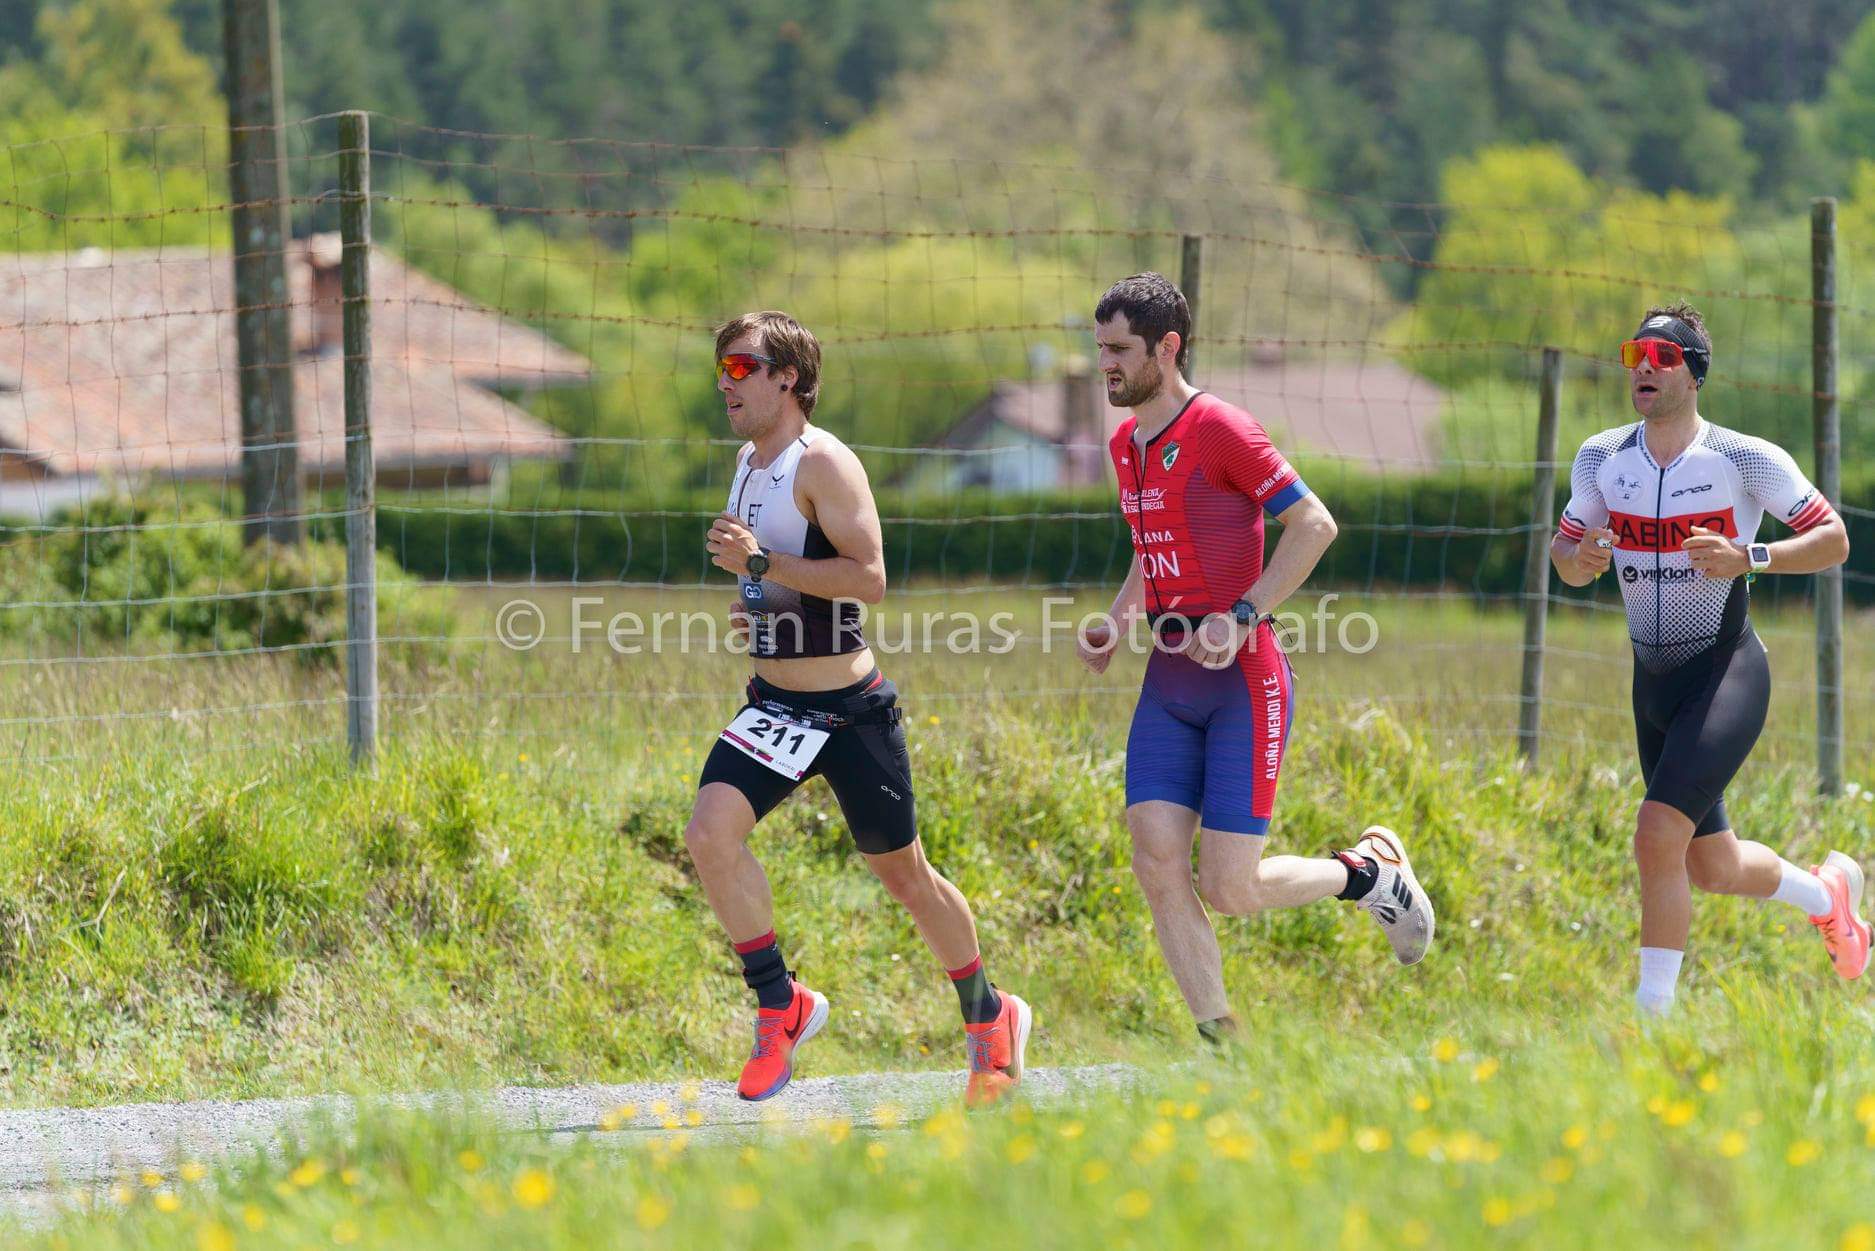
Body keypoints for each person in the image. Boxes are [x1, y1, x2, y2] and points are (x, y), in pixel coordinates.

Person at [1075, 273, 1434, 1045]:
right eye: (1099, 347)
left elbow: (1313, 524)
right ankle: (1222, 1042)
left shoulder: (1221, 428)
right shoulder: (1123, 445)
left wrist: (1243, 613)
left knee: (1229, 887)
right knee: (1155, 862)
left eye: (1118, 349)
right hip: (1167, 677)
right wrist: (1116, 620)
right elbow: (1149, 544)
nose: (1103, 364)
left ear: (1166, 348)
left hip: (1241, 680)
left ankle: (1368, 874)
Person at [686, 311, 1030, 1105]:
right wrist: (759, 607)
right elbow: (790, 580)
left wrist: (761, 566)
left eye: (740, 367)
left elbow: (868, 578)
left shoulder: (824, 462)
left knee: (904, 875)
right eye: (720, 367)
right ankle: (780, 1003)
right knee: (709, 833)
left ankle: (990, 1017)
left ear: (788, 378)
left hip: (849, 712)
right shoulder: (746, 462)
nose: (724, 383)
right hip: (777, 707)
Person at [1551, 303, 1866, 1014]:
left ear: (1693, 373)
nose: (1643, 367)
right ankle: (1828, 896)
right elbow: (1564, 554)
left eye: (1661, 357)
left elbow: (1833, 539)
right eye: (1634, 354)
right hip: (1652, 683)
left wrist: (1748, 557)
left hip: (1725, 672)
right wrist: (1581, 558)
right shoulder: (1600, 456)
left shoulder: (1743, 457)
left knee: (1656, 834)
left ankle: (1650, 1024)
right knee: (1711, 865)